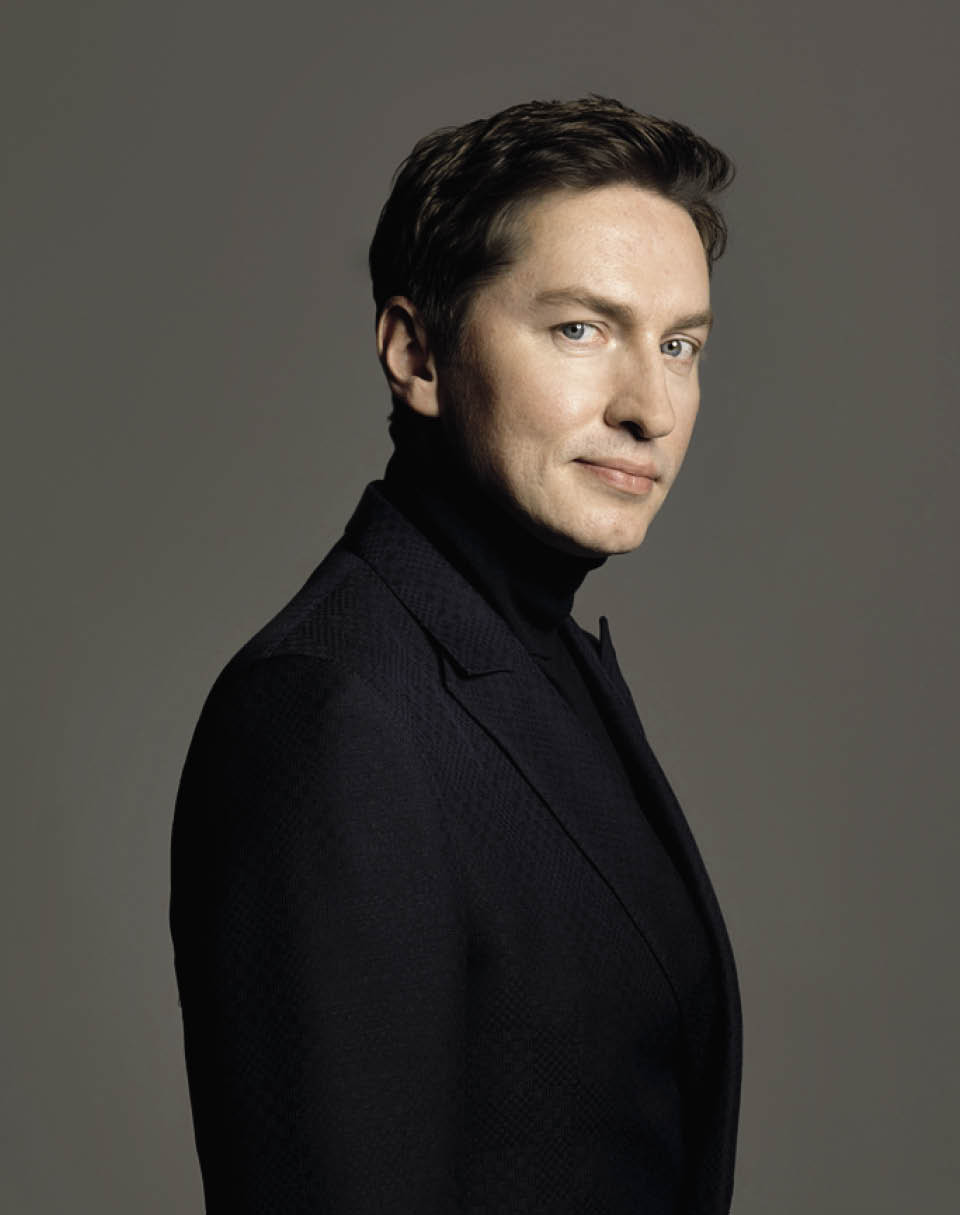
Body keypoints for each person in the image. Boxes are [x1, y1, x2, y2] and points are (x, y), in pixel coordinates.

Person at [170, 95, 741, 1214]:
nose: (651, 408)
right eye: (581, 329)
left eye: (679, 345)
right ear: (417, 353)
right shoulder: (329, 713)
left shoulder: (545, 661)